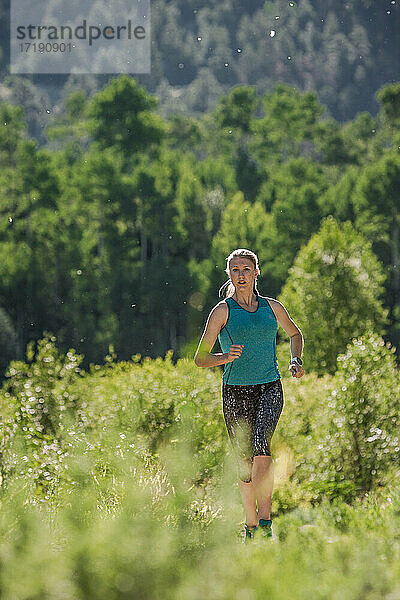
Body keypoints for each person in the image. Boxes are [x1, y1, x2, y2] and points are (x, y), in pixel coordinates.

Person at [194, 248, 304, 541]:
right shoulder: (223, 311)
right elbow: (200, 358)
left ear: (256, 273)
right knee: (244, 461)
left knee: (261, 447)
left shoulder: (273, 308)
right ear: (229, 275)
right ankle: (251, 524)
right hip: (235, 392)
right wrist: (224, 357)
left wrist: (295, 360)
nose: (240, 276)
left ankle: (266, 524)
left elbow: (295, 334)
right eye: (235, 270)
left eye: (245, 270)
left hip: (269, 386)